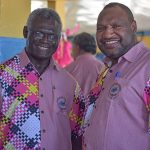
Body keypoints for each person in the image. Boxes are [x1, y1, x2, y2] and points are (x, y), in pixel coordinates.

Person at [0, 8, 82, 150]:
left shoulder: (69, 83)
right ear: (26, 32)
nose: (45, 40)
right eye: (39, 33)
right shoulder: (3, 75)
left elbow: (77, 133)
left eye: (52, 36)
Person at [82, 2, 150, 150]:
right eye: (101, 28)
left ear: (133, 27)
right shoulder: (107, 68)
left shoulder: (147, 66)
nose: (107, 34)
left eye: (116, 26)